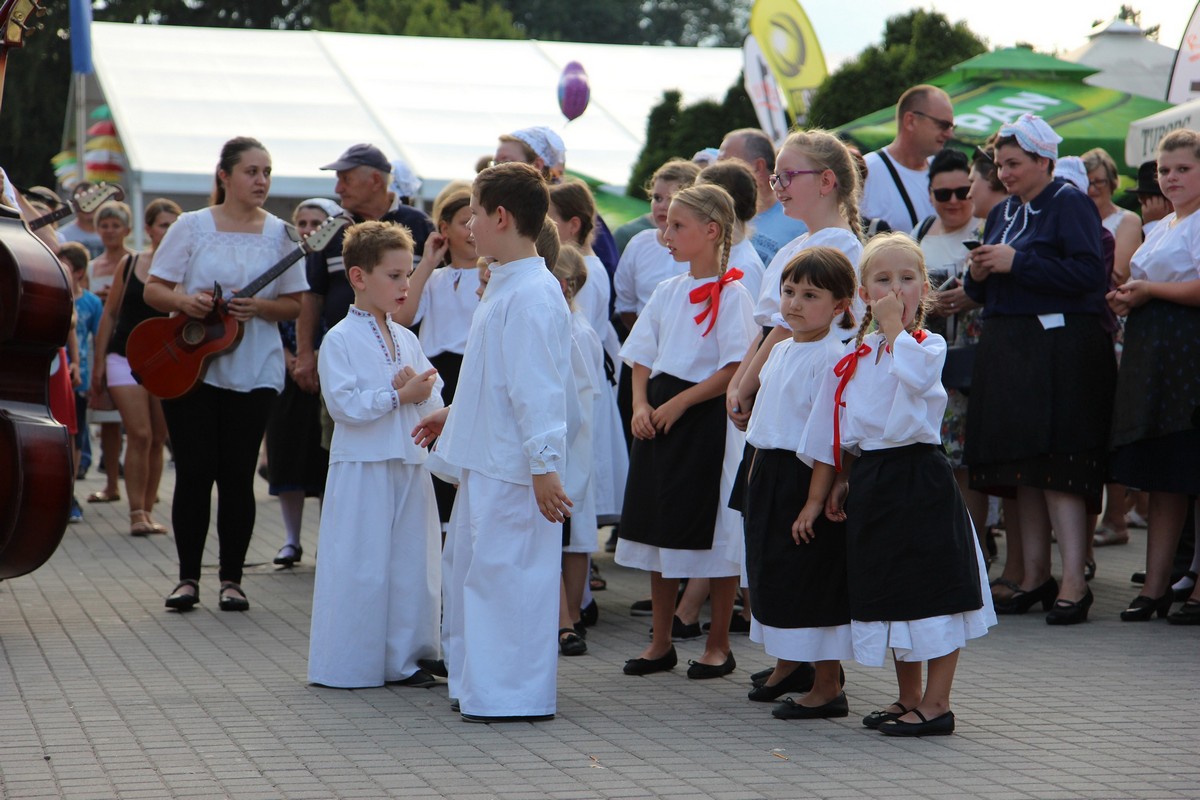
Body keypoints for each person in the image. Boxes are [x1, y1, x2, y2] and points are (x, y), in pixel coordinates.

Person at [799, 233, 996, 736]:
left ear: (924, 288)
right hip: (874, 476)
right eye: (883, 280)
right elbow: (847, 423)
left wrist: (893, 332)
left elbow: (916, 380)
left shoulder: (925, 345)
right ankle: (908, 695)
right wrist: (842, 478)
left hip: (918, 477)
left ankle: (937, 703)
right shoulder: (856, 351)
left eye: (907, 279)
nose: (896, 288)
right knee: (893, 589)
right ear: (864, 293)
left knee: (934, 590)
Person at [412, 162, 573, 723]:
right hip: (490, 458)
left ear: (501, 216)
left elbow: (539, 389)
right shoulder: (507, 285)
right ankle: (479, 684)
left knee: (510, 580)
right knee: (476, 577)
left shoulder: (530, 292)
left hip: (516, 467)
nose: (469, 226)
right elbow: (495, 378)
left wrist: (545, 465)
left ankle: (513, 693)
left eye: (475, 214)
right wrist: (453, 414)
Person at [963, 114, 1115, 625]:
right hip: (1012, 347)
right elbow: (989, 288)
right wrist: (979, 273)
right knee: (1020, 464)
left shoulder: (1069, 201)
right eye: (1000, 164)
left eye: (1014, 163)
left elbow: (1089, 275)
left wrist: (1016, 263)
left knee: (1060, 464)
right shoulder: (1004, 211)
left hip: (1062, 350)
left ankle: (1074, 581)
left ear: (1044, 161)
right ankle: (1034, 576)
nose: (1004, 173)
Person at [145, 136, 307, 612]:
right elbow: (155, 289)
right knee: (195, 471)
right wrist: (183, 301)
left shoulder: (282, 233)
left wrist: (260, 306)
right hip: (191, 364)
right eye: (252, 171)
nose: (261, 181)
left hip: (254, 365)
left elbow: (296, 303)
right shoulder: (192, 227)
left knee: (238, 474)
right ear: (225, 176)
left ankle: (232, 580)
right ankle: (187, 579)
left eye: (267, 172)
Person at [616, 183, 757, 680]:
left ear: (712, 231)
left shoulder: (735, 295)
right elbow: (639, 355)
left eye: (677, 225)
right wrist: (640, 403)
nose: (665, 233)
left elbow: (733, 367)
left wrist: (678, 402)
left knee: (715, 531)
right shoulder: (666, 291)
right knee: (659, 526)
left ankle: (718, 643)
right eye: (666, 224)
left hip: (706, 421)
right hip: (658, 418)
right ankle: (660, 641)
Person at [308, 220, 443, 687]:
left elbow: (432, 391)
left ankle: (404, 658)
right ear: (359, 277)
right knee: (362, 565)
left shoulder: (406, 337)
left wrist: (420, 393)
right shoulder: (340, 338)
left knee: (411, 564)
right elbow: (343, 405)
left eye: (408, 274)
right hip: (363, 464)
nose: (405, 285)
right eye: (394, 275)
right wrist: (397, 397)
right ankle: (351, 661)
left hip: (407, 461)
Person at [738, 247, 856, 717]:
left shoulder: (833, 356)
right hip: (769, 469)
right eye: (789, 292)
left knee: (811, 578)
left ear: (841, 304)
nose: (794, 304)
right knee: (775, 575)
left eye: (811, 295)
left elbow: (828, 436)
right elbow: (767, 416)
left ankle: (828, 685)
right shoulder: (783, 348)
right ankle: (792, 664)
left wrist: (814, 500)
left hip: (805, 476)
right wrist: (753, 471)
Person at [1106, 129, 1200, 624]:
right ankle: (1157, 583)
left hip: (1190, 350)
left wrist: (1150, 292)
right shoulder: (1161, 226)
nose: (1171, 178)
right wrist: (1129, 297)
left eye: (1183, 168)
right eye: (1165, 170)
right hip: (1156, 351)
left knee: (1192, 467)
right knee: (1165, 472)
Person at [294, 144, 435, 401]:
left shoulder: (419, 224)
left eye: (345, 179)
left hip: (405, 356)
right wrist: (304, 353)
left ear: (374, 180)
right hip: (346, 357)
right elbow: (312, 295)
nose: (338, 189)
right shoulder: (333, 228)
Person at [913, 148, 989, 547]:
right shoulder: (918, 234)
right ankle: (946, 545)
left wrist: (973, 297)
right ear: (930, 196)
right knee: (937, 457)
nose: (955, 201)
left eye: (964, 191)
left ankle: (974, 546)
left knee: (967, 461)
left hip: (976, 365)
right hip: (928, 366)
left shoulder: (988, 228)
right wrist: (930, 304)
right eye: (944, 194)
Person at [91, 198, 179, 536]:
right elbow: (110, 314)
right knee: (139, 434)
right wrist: (98, 362)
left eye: (174, 225)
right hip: (123, 358)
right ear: (148, 229)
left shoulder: (185, 269)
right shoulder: (130, 264)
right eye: (162, 225)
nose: (168, 231)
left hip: (165, 363)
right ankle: (136, 513)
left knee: (158, 436)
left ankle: (148, 507)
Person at [268, 198, 342, 566]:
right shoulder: (283, 265)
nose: (311, 229)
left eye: (319, 221)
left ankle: (327, 540)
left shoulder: (336, 265)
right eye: (304, 221)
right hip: (288, 371)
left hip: (330, 372)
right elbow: (269, 317)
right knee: (288, 457)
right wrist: (292, 359)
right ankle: (291, 539)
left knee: (327, 458)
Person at [550, 244, 601, 657]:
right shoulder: (569, 326)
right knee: (570, 531)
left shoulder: (575, 330)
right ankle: (567, 615)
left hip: (571, 444)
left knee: (571, 532)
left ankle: (569, 615)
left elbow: (578, 399)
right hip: (569, 443)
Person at [84, 200, 135, 505]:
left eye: (116, 225)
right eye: (104, 225)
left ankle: (143, 483)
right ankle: (112, 483)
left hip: (130, 342)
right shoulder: (92, 267)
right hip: (99, 341)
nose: (110, 230)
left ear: (127, 229)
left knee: (140, 425)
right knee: (108, 419)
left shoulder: (134, 261)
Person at [861, 85, 955, 233]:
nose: (950, 134)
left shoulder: (942, 171)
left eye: (952, 127)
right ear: (910, 121)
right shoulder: (867, 170)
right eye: (943, 125)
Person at [718, 128, 808, 264]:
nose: (717, 171)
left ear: (758, 166)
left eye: (726, 163)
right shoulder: (721, 217)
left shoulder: (799, 219)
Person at [57, 181, 104, 258]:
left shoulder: (111, 232)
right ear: (74, 205)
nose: (88, 206)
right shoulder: (61, 237)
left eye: (93, 200)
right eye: (83, 201)